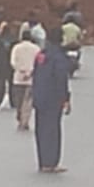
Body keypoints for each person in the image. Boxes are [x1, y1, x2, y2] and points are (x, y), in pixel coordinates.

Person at [31, 26, 71, 173]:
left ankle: (42, 161)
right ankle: (51, 162)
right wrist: (65, 98)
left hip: (39, 96)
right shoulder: (58, 57)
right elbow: (61, 79)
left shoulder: (41, 55)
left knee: (41, 129)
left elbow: (35, 75)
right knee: (52, 130)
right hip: (53, 98)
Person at [10, 26, 39, 130]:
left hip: (18, 78)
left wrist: (20, 70)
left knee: (19, 100)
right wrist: (30, 72)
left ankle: (20, 116)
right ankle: (25, 120)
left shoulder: (16, 48)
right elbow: (38, 64)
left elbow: (13, 62)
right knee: (28, 102)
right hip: (31, 78)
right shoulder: (36, 49)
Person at [0, 20, 16, 107]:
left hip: (1, 64)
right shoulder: (13, 40)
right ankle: (13, 101)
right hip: (11, 64)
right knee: (11, 84)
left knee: (1, 83)